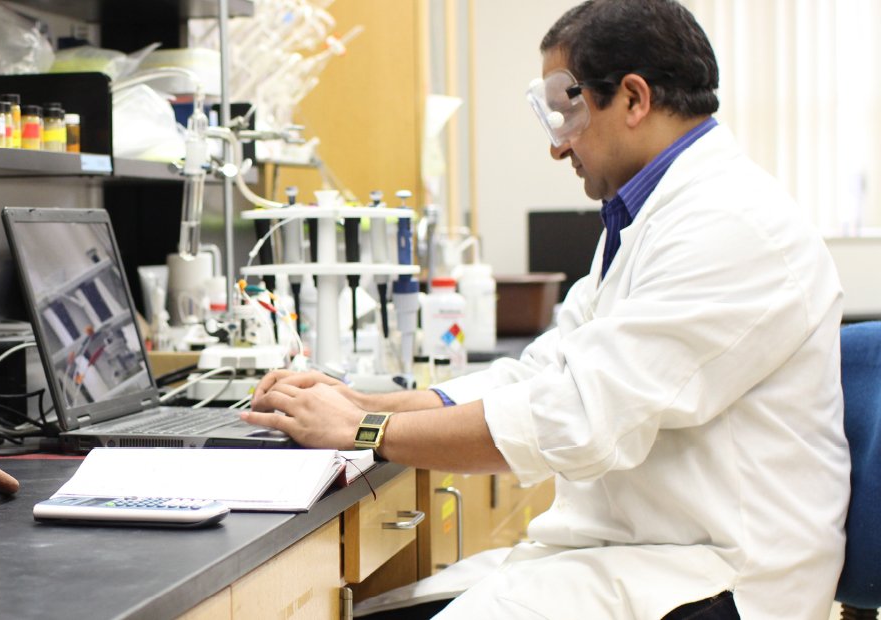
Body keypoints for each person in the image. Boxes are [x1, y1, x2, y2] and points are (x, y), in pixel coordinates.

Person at [240, 1, 850, 618]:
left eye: (567, 111)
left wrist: (364, 434)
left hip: (722, 578)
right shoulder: (648, 218)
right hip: (639, 553)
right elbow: (541, 374)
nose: (559, 147)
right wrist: (361, 404)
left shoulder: (731, 224)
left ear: (634, 99)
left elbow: (577, 416)